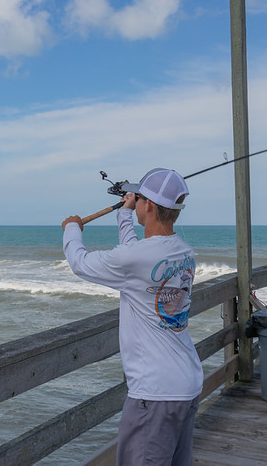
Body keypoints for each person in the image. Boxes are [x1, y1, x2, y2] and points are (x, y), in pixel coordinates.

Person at [61, 168, 203, 465]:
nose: (135, 202)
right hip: (187, 383)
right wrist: (125, 213)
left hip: (155, 395)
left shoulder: (138, 259)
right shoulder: (184, 252)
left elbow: (81, 263)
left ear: (149, 205)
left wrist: (72, 228)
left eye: (139, 199)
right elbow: (134, 254)